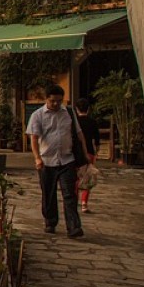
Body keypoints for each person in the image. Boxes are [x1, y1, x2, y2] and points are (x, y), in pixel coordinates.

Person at [27, 85, 90, 238]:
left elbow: (79, 133)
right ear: (46, 99)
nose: (56, 104)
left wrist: (85, 153)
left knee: (70, 194)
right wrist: (37, 158)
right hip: (46, 161)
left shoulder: (68, 112)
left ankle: (73, 227)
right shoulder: (37, 115)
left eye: (59, 101)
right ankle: (50, 221)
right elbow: (34, 139)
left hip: (67, 159)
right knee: (48, 194)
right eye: (52, 101)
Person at [74, 97, 101, 212]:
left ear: (76, 109)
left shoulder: (74, 123)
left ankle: (74, 202)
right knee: (87, 178)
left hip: (75, 153)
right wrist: (97, 152)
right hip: (89, 152)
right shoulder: (92, 122)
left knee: (75, 179)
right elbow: (97, 139)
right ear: (88, 109)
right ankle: (84, 204)